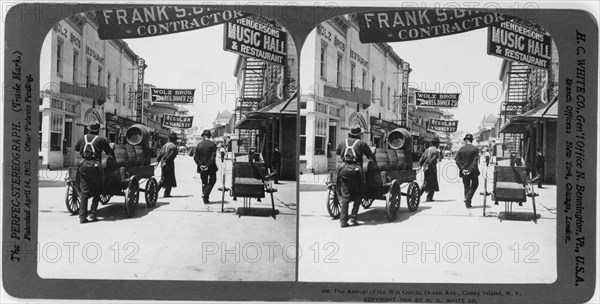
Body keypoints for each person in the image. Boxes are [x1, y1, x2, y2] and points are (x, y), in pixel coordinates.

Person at [335, 126, 377, 228]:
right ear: (359, 134)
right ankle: (353, 217)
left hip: (343, 170)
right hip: (356, 171)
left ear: (350, 133)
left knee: (346, 196)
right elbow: (370, 155)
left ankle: (343, 221)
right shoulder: (362, 144)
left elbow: (337, 154)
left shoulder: (343, 142)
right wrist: (374, 162)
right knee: (359, 194)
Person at [73, 123, 115, 224]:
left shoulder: (82, 138)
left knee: (85, 192)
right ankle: (92, 213)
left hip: (83, 165)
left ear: (89, 129)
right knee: (97, 190)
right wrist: (113, 156)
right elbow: (109, 151)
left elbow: (76, 148)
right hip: (95, 166)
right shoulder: (101, 140)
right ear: (98, 130)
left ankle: (82, 217)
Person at [455, 134, 480, 208]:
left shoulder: (461, 149)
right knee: (475, 184)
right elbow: (475, 162)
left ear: (466, 140)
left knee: (466, 186)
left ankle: (467, 203)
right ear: (472, 140)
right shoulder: (475, 149)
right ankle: (468, 199)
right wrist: (470, 170)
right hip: (473, 171)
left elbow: (457, 160)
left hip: (464, 171)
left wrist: (463, 169)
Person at [194, 130, 218, 204]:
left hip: (201, 167)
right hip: (211, 167)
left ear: (204, 136)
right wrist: (207, 165)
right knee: (213, 180)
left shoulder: (199, 145)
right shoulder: (213, 144)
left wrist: (201, 165)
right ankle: (206, 194)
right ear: (209, 136)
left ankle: (205, 199)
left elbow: (195, 157)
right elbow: (213, 157)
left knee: (204, 182)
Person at [157, 132, 179, 197]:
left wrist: (158, 161)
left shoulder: (165, 145)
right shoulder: (174, 147)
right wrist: (167, 160)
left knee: (163, 177)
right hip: (169, 164)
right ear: (174, 139)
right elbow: (171, 156)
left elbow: (160, 154)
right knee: (170, 178)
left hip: (163, 163)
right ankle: (166, 193)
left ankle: (156, 191)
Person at [418, 138, 440, 202]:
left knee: (426, 182)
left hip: (426, 169)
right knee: (432, 184)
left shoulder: (428, 149)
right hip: (432, 169)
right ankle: (429, 198)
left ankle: (418, 194)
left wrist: (421, 165)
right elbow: (433, 160)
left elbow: (423, 158)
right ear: (437, 144)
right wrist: (428, 164)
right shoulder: (436, 151)